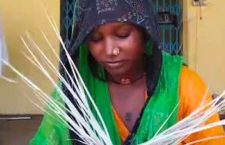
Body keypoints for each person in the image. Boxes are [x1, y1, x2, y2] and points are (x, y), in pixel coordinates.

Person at [30, 0, 225, 145]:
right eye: (96, 39)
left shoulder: (184, 86)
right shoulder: (74, 92)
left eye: (122, 35)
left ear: (144, 32)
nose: (110, 50)